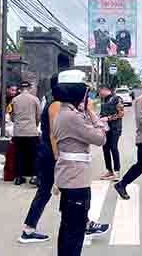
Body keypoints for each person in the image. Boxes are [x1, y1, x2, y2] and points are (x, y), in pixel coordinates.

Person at [18, 74, 110, 244]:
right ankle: (28, 229)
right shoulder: (57, 106)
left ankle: (84, 223)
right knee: (46, 191)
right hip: (52, 153)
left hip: (54, 152)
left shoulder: (58, 104)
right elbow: (54, 136)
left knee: (52, 192)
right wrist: (58, 159)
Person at [52, 70, 108, 256]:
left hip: (69, 177)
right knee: (74, 232)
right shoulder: (72, 117)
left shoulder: (65, 112)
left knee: (68, 227)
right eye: (85, 92)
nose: (87, 96)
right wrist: (94, 115)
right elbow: (100, 139)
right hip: (76, 179)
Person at [11, 81, 41, 186]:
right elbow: (38, 115)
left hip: (18, 132)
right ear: (29, 88)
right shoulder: (35, 99)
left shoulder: (14, 100)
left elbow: (12, 116)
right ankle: (34, 176)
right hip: (31, 131)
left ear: (20, 89)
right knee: (34, 155)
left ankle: (19, 177)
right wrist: (35, 125)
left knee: (19, 154)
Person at [98, 85, 124, 181]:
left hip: (115, 128)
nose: (99, 93)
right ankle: (109, 170)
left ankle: (117, 171)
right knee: (105, 148)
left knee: (113, 147)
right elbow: (102, 113)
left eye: (100, 91)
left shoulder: (117, 99)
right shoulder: (103, 100)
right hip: (105, 128)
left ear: (105, 89)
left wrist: (108, 118)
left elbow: (121, 113)